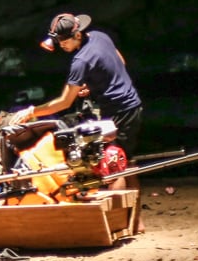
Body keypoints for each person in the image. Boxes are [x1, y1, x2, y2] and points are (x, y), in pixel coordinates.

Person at [15, 13, 145, 207]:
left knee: (113, 162)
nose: (61, 45)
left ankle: (118, 221)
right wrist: (93, 85)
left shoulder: (81, 60)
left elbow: (64, 102)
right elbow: (120, 62)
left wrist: (32, 111)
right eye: (57, 41)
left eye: (64, 40)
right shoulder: (100, 36)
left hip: (120, 111)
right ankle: (135, 223)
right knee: (127, 161)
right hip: (133, 106)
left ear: (77, 34)